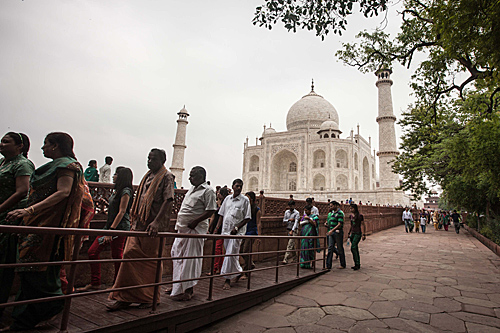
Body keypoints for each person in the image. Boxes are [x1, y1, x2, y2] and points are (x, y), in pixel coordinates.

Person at [5, 132, 92, 330]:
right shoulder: (58, 165)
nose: (43, 148)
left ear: (55, 146)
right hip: (36, 224)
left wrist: (29, 209)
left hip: (48, 228)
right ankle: (22, 318)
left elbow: (63, 192)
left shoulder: (66, 166)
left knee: (40, 274)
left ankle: (42, 311)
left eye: (46, 144)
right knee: (28, 274)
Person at [107, 149, 175, 311]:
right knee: (129, 257)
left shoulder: (166, 177)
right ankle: (125, 296)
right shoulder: (148, 176)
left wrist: (157, 222)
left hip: (153, 228)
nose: (149, 161)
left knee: (150, 263)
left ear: (162, 161)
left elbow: (168, 200)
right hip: (139, 224)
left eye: (153, 159)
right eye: (148, 158)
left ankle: (148, 297)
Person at [77, 167, 134, 292]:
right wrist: (107, 204)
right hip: (110, 226)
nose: (113, 176)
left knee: (115, 255)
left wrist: (110, 231)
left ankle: (117, 284)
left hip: (118, 228)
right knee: (94, 252)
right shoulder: (118, 191)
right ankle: (96, 282)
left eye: (115, 174)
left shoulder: (125, 191)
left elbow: (122, 212)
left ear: (121, 177)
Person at [0, 132, 34, 318]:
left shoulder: (22, 164)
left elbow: (22, 191)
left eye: (6, 142)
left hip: (8, 219)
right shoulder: (3, 163)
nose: (2, 144)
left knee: (4, 265)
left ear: (20, 146)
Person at [170, 167, 217, 301]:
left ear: (201, 176)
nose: (189, 178)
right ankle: (177, 286)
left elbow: (211, 210)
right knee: (176, 255)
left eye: (192, 176)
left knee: (190, 259)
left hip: (195, 230)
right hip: (183, 229)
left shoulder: (208, 191)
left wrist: (195, 222)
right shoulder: (192, 189)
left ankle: (188, 290)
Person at [217, 179, 251, 290]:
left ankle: (227, 280)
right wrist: (217, 228)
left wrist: (237, 227)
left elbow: (247, 218)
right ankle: (239, 272)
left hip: (237, 233)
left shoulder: (245, 200)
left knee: (230, 254)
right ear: (233, 186)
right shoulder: (227, 199)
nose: (239, 188)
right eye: (237, 186)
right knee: (231, 254)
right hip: (226, 231)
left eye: (241, 186)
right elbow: (221, 214)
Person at [207, 187, 230, 275]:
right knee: (219, 250)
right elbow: (213, 217)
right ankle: (220, 269)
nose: (217, 194)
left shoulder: (226, 204)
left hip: (221, 229)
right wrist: (210, 228)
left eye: (219, 193)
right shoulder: (217, 204)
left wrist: (217, 228)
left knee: (217, 250)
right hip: (216, 228)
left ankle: (214, 269)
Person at [240, 191, 262, 278]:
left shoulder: (256, 210)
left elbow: (258, 223)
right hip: (244, 231)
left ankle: (246, 272)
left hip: (252, 232)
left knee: (246, 251)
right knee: (241, 250)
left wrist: (259, 236)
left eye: (247, 197)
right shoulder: (245, 208)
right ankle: (250, 263)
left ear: (251, 199)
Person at [325, 201, 346, 269]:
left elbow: (339, 224)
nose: (330, 207)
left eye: (331, 206)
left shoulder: (340, 213)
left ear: (335, 206)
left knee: (340, 248)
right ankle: (328, 265)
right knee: (330, 248)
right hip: (331, 232)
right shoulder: (332, 213)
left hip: (338, 232)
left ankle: (343, 264)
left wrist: (332, 230)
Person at [299, 205, 320, 269]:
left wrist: (309, 219)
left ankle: (310, 263)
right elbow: (300, 223)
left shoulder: (314, 217)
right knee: (303, 249)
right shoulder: (304, 216)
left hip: (310, 235)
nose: (305, 212)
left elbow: (315, 224)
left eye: (307, 210)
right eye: (305, 211)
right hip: (304, 235)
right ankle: (303, 263)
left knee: (310, 249)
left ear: (310, 210)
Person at [347, 203, 366, 270]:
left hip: (358, 233)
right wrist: (349, 232)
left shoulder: (360, 216)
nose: (350, 209)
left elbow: (362, 225)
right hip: (353, 233)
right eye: (350, 208)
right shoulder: (351, 216)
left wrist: (363, 234)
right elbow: (351, 225)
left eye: (352, 208)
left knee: (353, 247)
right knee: (354, 248)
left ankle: (357, 263)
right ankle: (356, 263)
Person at [282, 200, 300, 264]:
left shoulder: (297, 213)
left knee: (290, 244)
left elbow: (296, 222)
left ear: (294, 206)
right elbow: (284, 220)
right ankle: (295, 258)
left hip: (294, 230)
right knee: (292, 245)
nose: (290, 207)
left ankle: (285, 259)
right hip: (288, 229)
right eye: (289, 206)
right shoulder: (287, 212)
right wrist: (289, 220)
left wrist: (292, 230)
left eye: (291, 206)